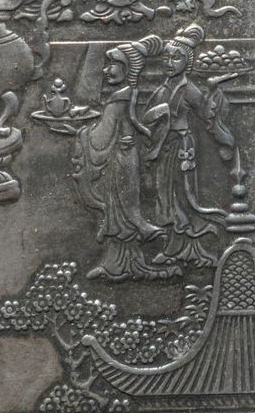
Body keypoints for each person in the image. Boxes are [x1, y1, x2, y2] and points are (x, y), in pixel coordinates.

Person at [72, 37, 179, 281]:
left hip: (120, 161)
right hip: (125, 158)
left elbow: (101, 137)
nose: (106, 70)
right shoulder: (128, 93)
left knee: (120, 212)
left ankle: (122, 265)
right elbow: (133, 123)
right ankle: (122, 263)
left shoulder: (118, 99)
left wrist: (82, 133)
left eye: (112, 65)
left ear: (128, 69)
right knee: (120, 211)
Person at [142, 25, 237, 266]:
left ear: (188, 62)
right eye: (167, 57)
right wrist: (159, 114)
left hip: (182, 147)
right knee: (165, 194)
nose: (170, 62)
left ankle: (185, 247)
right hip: (164, 146)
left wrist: (213, 91)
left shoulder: (189, 89)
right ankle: (173, 245)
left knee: (182, 195)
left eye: (176, 58)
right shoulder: (163, 88)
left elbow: (206, 114)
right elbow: (147, 117)